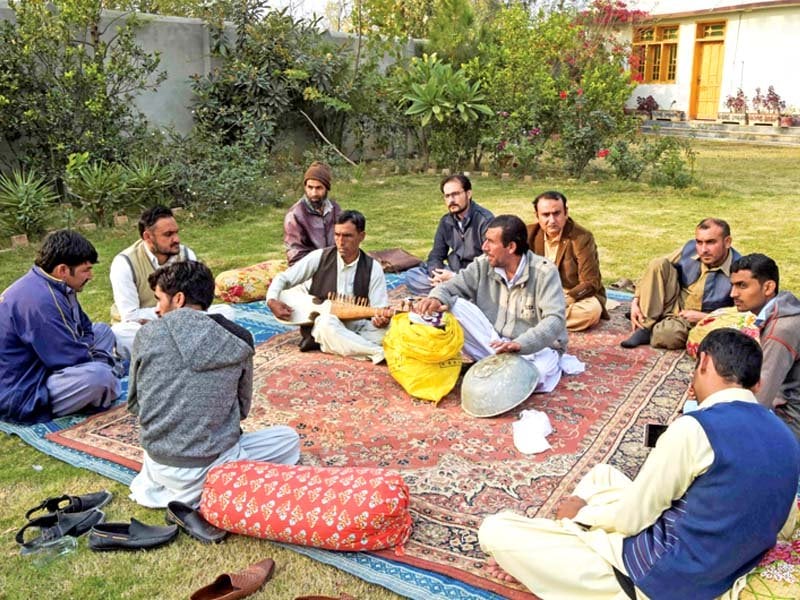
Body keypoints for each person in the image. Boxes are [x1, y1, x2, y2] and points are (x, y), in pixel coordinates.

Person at [479, 328, 800, 600]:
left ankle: (561, 538)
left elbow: (633, 519)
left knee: (497, 530)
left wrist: (580, 515)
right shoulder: (787, 439)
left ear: (703, 363)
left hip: (654, 581)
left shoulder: (696, 428)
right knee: (603, 476)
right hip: (718, 566)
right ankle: (563, 537)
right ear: (756, 384)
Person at [127, 261, 300, 508]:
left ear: (178, 299)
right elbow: (242, 409)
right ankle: (221, 486)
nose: (156, 309)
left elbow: (135, 403)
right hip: (215, 465)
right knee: (288, 439)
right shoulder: (238, 337)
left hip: (158, 465)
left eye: (158, 300)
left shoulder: (146, 335)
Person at [415, 214, 569, 393]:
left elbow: (555, 320)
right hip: (495, 343)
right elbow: (450, 287)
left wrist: (521, 344)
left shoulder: (544, 272)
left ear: (511, 247)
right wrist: (436, 298)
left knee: (536, 377)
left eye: (490, 242)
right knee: (453, 306)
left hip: (534, 350)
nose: (484, 247)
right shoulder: (483, 264)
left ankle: (500, 370)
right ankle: (500, 368)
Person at [0, 230, 121, 424]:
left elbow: (86, 328)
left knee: (103, 331)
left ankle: (107, 375)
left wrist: (89, 350)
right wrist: (99, 360)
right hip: (25, 389)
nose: (91, 276)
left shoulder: (55, 286)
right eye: (86, 270)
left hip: (51, 363)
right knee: (100, 377)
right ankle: (109, 378)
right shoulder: (40, 301)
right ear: (63, 270)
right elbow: (67, 359)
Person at [267, 210, 389, 364]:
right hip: (327, 323)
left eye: (347, 236)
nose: (340, 241)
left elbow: (379, 309)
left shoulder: (373, 267)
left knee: (394, 329)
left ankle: (346, 345)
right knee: (326, 325)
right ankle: (378, 352)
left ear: (361, 236)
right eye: (337, 235)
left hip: (359, 325)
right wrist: (272, 301)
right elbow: (283, 278)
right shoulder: (319, 257)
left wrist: (381, 320)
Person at [621, 218, 740, 350]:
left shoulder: (740, 269)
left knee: (666, 336)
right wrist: (635, 301)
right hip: (674, 301)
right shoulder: (689, 249)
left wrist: (704, 317)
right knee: (657, 263)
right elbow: (655, 272)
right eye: (699, 242)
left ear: (727, 242)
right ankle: (645, 326)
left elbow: (741, 315)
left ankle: (655, 318)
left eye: (710, 242)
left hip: (698, 318)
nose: (703, 249)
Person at [110, 206, 196, 360]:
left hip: (183, 322)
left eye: (176, 232)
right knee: (121, 335)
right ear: (148, 237)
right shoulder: (125, 263)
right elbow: (130, 316)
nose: (176, 239)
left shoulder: (186, 255)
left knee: (225, 312)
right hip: (145, 327)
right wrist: (171, 313)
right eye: (168, 235)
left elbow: (196, 301)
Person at [730, 253, 800, 439]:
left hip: (791, 421)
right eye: (733, 285)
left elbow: (761, 398)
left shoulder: (781, 330)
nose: (733, 294)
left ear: (768, 287)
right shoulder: (785, 313)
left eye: (742, 286)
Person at [527, 191, 608, 332]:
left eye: (557, 213)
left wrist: (566, 299)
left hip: (572, 294)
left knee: (590, 312)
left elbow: (591, 282)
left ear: (566, 213)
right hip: (540, 293)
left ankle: (532, 320)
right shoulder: (529, 234)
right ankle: (546, 320)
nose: (552, 220)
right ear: (537, 216)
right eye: (546, 215)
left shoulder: (582, 237)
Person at [405, 174, 494, 295]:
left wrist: (455, 277)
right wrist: (436, 275)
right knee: (412, 275)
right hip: (452, 271)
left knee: (485, 287)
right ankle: (450, 291)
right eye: (447, 196)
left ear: (468, 194)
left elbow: (490, 262)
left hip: (475, 277)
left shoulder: (485, 220)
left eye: (455, 194)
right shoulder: (446, 221)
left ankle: (449, 292)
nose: (451, 200)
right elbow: (436, 254)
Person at [283, 161, 342, 266]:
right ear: (305, 187)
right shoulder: (295, 215)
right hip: (309, 270)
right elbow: (295, 256)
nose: (314, 193)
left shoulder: (335, 209)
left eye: (319, 188)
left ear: (326, 188)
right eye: (310, 187)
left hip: (335, 264)